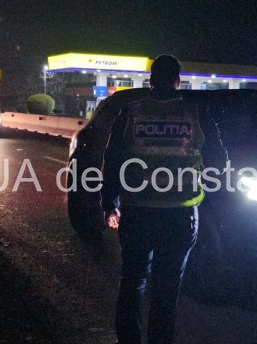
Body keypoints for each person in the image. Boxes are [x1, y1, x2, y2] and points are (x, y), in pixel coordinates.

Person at [102, 54, 227, 344]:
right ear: (177, 81)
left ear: (150, 80)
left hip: (137, 212)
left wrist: (110, 203)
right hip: (180, 216)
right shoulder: (196, 114)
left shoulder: (131, 113)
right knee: (167, 290)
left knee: (132, 282)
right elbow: (219, 161)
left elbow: (112, 161)